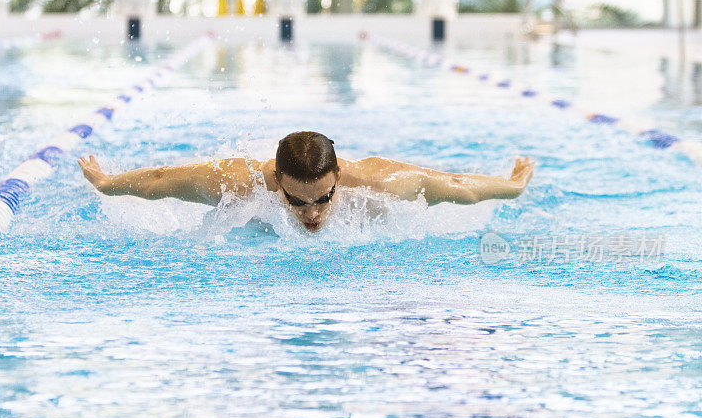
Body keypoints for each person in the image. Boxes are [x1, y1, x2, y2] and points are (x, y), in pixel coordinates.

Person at [78, 131, 534, 232]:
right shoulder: (241, 184)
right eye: (297, 202)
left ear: (338, 176)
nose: (312, 214)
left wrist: (510, 187)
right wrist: (107, 182)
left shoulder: (378, 182)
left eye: (324, 198)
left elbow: (454, 185)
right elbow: (164, 180)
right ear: (279, 181)